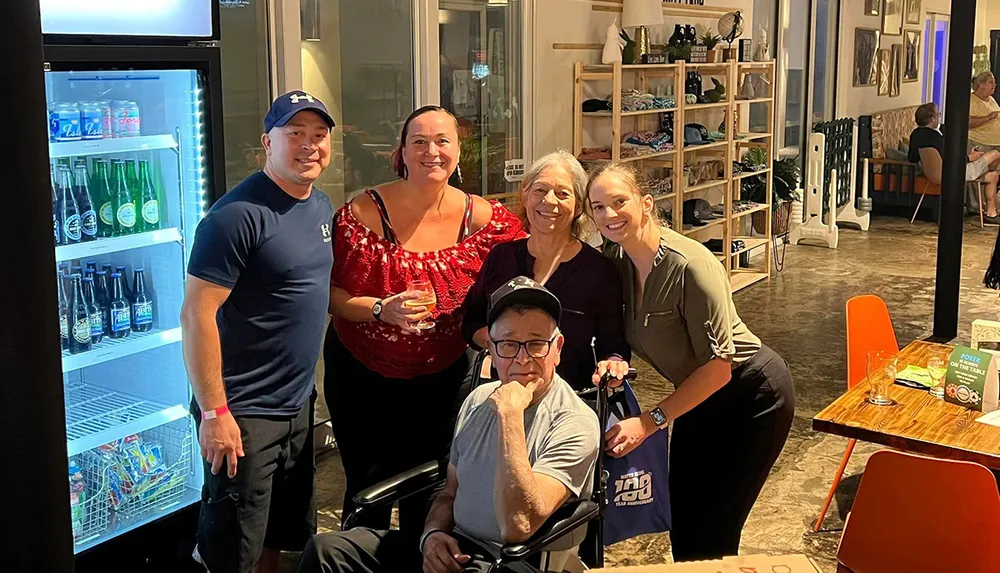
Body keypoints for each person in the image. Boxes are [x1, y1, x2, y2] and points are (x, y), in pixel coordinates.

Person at [298, 277, 600, 573]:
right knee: (327, 552)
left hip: (508, 561)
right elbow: (449, 492)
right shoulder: (479, 398)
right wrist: (432, 536)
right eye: (508, 344)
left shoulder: (575, 422)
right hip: (455, 548)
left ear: (557, 347)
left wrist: (510, 417)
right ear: (492, 351)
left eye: (536, 344)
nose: (522, 359)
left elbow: (518, 525)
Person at [326, 105, 524, 538]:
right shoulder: (363, 213)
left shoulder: (487, 222)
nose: (431, 151)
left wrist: (496, 343)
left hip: (443, 378)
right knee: (365, 490)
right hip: (361, 373)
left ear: (458, 151)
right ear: (401, 151)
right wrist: (382, 308)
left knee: (433, 489)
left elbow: (520, 284)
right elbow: (332, 296)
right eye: (419, 141)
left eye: (442, 141)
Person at [586, 162, 795, 562]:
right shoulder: (615, 258)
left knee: (715, 527)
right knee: (684, 519)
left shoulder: (691, 267)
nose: (609, 215)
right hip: (698, 395)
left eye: (619, 202)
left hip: (751, 395)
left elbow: (720, 367)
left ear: (645, 203)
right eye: (598, 207)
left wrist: (650, 422)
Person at [180, 91, 336, 573]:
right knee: (233, 552)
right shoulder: (234, 217)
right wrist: (214, 412)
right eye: (295, 134)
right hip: (243, 414)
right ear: (267, 142)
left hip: (298, 405)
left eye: (319, 135)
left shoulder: (320, 204)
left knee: (276, 538)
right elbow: (195, 315)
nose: (309, 146)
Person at [461, 150, 631, 392]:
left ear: (579, 207)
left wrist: (613, 365)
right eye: (539, 190)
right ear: (525, 196)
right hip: (502, 393)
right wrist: (498, 342)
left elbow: (613, 345)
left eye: (563, 194)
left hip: (570, 401)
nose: (549, 201)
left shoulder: (599, 271)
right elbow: (471, 321)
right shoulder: (501, 257)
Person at [909, 102, 1000, 223]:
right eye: (938, 115)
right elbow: (951, 159)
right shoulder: (936, 138)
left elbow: (912, 158)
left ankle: (991, 213)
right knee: (995, 153)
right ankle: (990, 213)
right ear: (932, 119)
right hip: (953, 174)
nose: (938, 118)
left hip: (932, 175)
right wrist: (970, 158)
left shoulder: (915, 134)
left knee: (993, 176)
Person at [970, 72, 1000, 152]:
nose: (994, 85)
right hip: (981, 144)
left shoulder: (991, 99)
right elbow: (968, 122)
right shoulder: (972, 100)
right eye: (991, 82)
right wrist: (988, 117)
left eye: (995, 83)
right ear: (981, 84)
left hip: (996, 144)